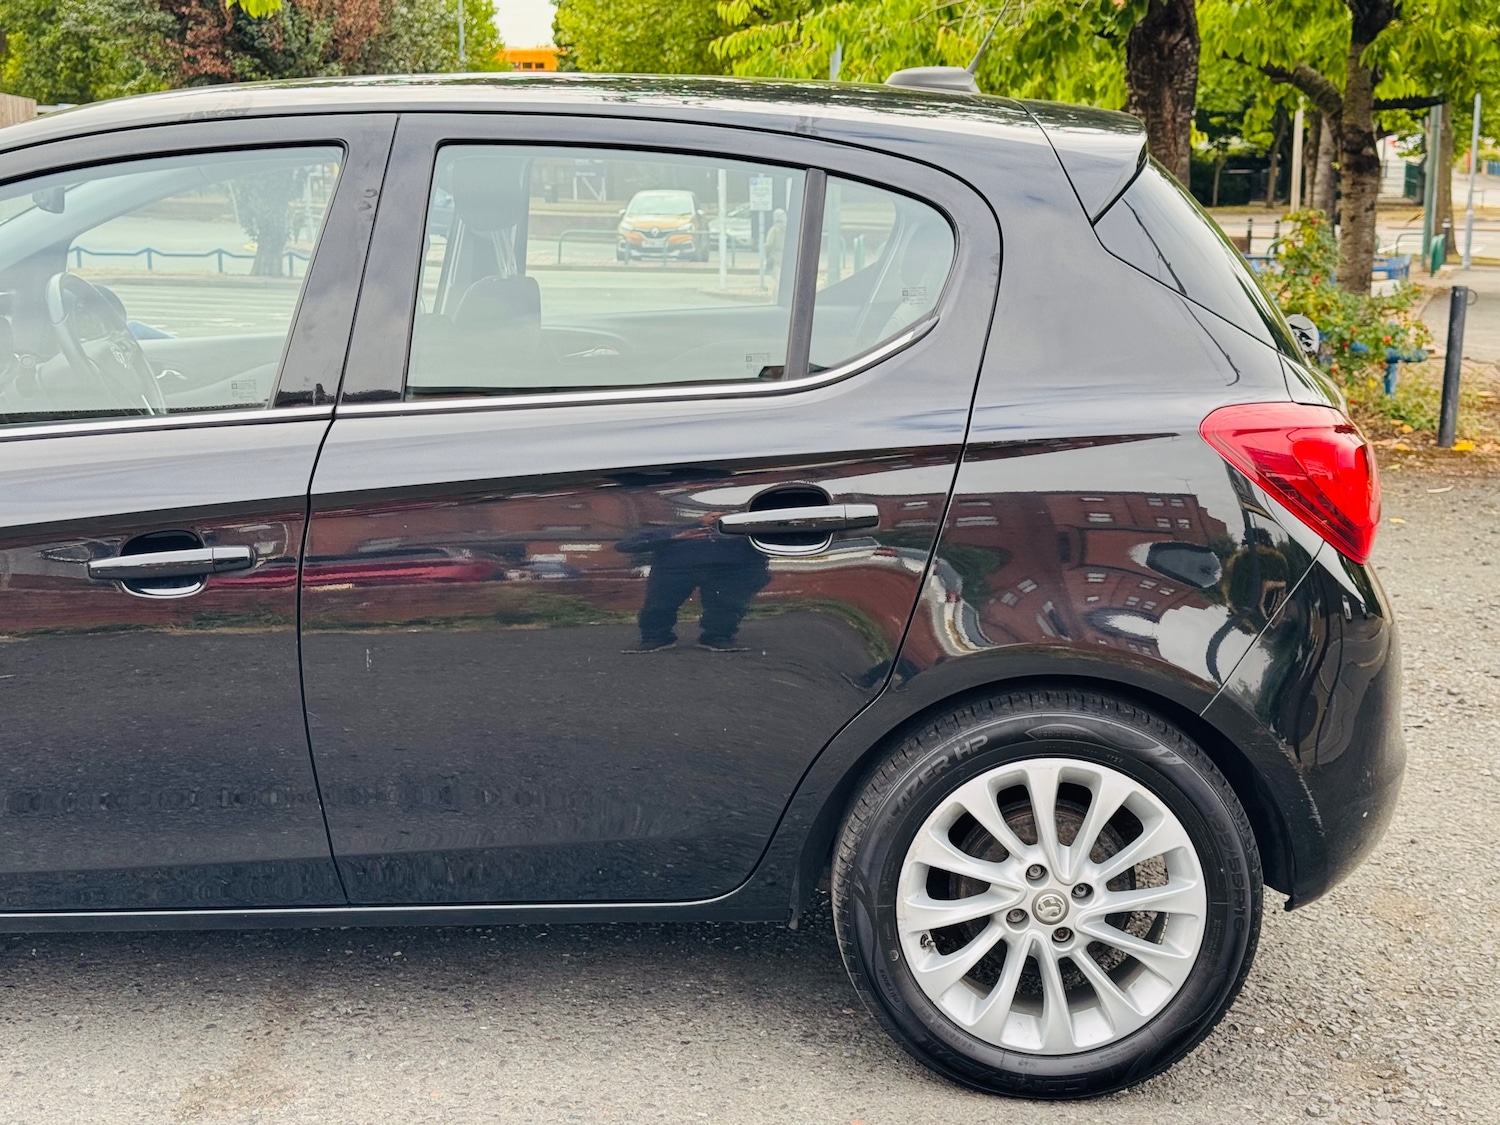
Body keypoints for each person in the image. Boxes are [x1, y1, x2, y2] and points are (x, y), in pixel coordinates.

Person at [616, 514, 770, 653]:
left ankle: (718, 637)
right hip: (674, 570)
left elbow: (763, 546)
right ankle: (655, 638)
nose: (715, 516)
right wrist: (677, 536)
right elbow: (625, 545)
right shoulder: (669, 529)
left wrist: (756, 571)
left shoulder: (740, 529)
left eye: (720, 512)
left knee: (726, 605)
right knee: (659, 604)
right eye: (710, 513)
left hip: (724, 570)